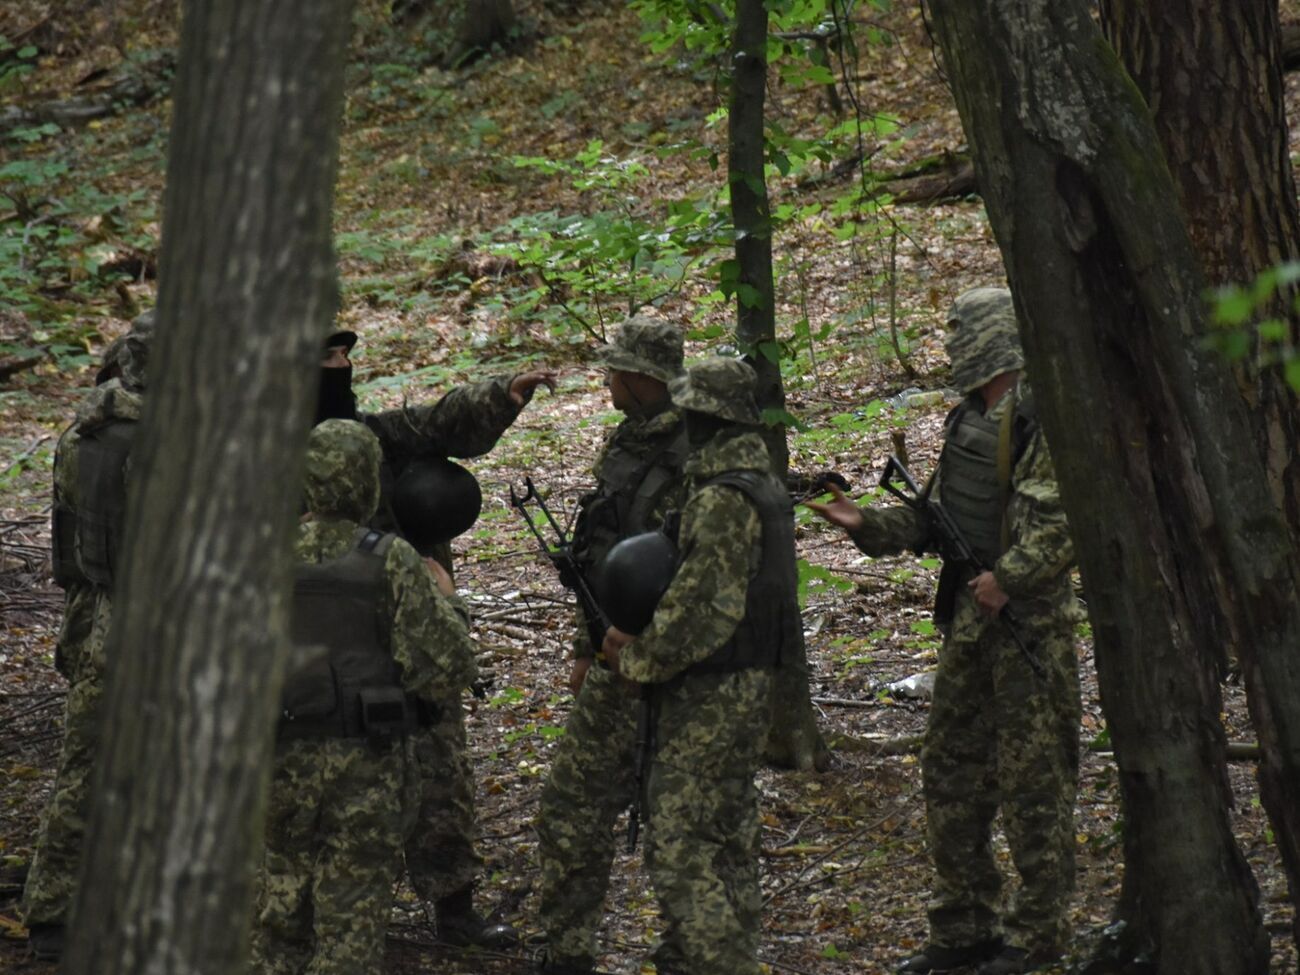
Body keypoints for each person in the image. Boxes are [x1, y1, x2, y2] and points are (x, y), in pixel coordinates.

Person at [806, 287, 1081, 975]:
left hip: (1028, 626)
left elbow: (1064, 521)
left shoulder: (1042, 417)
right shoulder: (970, 419)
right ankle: (962, 924)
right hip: (970, 619)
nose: (952, 342)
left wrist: (1008, 577)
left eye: (961, 332)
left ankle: (1037, 930)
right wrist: (867, 524)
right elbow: (936, 519)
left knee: (1034, 782)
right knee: (951, 771)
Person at [317, 329, 555, 945]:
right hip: (322, 649)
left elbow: (435, 424)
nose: (341, 365)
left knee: (438, 764)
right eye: (326, 357)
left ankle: (454, 906)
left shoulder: (371, 435)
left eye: (346, 355)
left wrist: (502, 394)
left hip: (414, 632)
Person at [251, 418, 479, 975]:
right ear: (367, 482)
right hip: (367, 766)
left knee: (280, 908)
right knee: (351, 919)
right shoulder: (390, 560)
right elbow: (447, 667)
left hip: (279, 763)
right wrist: (450, 603)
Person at [600, 357, 801, 975]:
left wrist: (637, 658)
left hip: (710, 689)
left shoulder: (722, 498)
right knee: (728, 828)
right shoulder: (759, 483)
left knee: (683, 840)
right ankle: (702, 951)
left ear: (707, 415)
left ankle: (718, 959)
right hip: (744, 681)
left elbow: (701, 609)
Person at [534, 316, 690, 975]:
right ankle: (565, 950)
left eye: (613, 370)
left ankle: (689, 951)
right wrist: (584, 641)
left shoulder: (693, 454)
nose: (606, 380)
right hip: (610, 656)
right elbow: (599, 549)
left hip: (672, 669)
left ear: (639, 377)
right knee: (570, 803)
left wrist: (652, 647)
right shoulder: (624, 444)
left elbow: (704, 570)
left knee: (678, 822)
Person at [21, 312, 155, 961]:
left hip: (99, 611)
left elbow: (66, 540)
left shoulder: (83, 431)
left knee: (84, 769)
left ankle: (52, 910)